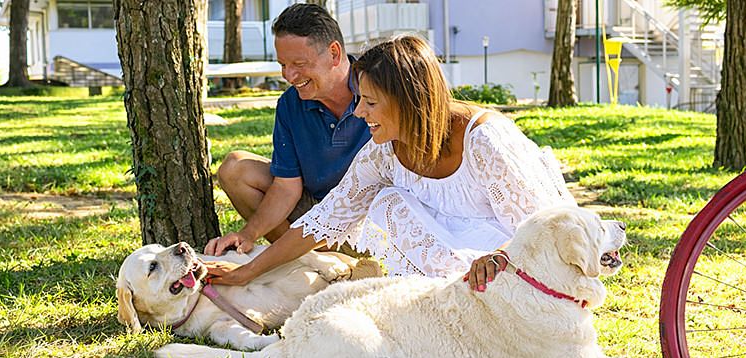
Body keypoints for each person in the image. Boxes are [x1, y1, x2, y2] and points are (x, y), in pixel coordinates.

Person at [203, 35, 576, 289]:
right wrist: (247, 271)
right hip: (454, 278)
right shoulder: (383, 152)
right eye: (359, 99)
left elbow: (550, 227)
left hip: (520, 270)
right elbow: (325, 219)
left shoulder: (486, 139)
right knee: (388, 202)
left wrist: (497, 259)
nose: (360, 113)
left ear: (409, 99)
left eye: (370, 102)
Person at [204, 3, 370, 257]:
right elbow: (286, 186)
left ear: (334, 53)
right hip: (315, 214)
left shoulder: (379, 88)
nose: (289, 75)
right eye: (283, 64)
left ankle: (346, 261)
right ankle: (310, 261)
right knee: (235, 168)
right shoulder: (290, 105)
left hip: (372, 223)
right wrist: (247, 234)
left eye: (299, 63)